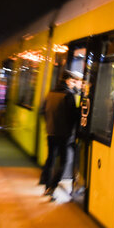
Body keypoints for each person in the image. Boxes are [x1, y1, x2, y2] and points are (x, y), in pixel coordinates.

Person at [39, 70, 81, 198]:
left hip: (51, 132)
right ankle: (52, 186)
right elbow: (74, 116)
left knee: (51, 158)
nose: (74, 84)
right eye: (73, 81)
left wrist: (49, 124)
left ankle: (46, 185)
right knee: (64, 161)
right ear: (67, 80)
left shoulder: (51, 93)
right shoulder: (68, 95)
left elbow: (43, 111)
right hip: (64, 134)